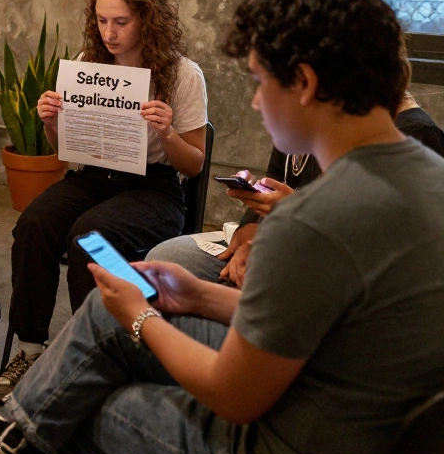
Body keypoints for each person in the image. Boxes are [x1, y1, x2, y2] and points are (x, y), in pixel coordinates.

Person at [0, 0, 444, 454]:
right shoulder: (429, 175)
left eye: (260, 82)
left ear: (303, 82)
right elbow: (311, 318)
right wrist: (201, 298)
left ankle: (11, 445)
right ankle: (2, 446)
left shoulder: (312, 220)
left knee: (78, 414)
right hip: (358, 419)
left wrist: (141, 318)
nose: (256, 102)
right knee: (100, 311)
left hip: (286, 448)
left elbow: (235, 396)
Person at [0, 0, 207, 401]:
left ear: (147, 19)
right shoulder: (89, 66)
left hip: (155, 187)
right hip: (94, 176)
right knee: (34, 223)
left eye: (121, 22)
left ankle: (89, 355)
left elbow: (197, 164)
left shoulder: (184, 74)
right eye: (101, 20)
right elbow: (66, 152)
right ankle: (32, 350)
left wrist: (167, 132)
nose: (108, 32)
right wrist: (52, 122)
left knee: (87, 240)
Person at [148, 49, 444, 287]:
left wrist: (291, 219)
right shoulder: (323, 128)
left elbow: (356, 256)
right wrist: (254, 239)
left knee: (134, 307)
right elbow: (278, 189)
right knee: (166, 262)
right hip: (291, 259)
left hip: (315, 280)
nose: (257, 103)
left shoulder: (406, 139)